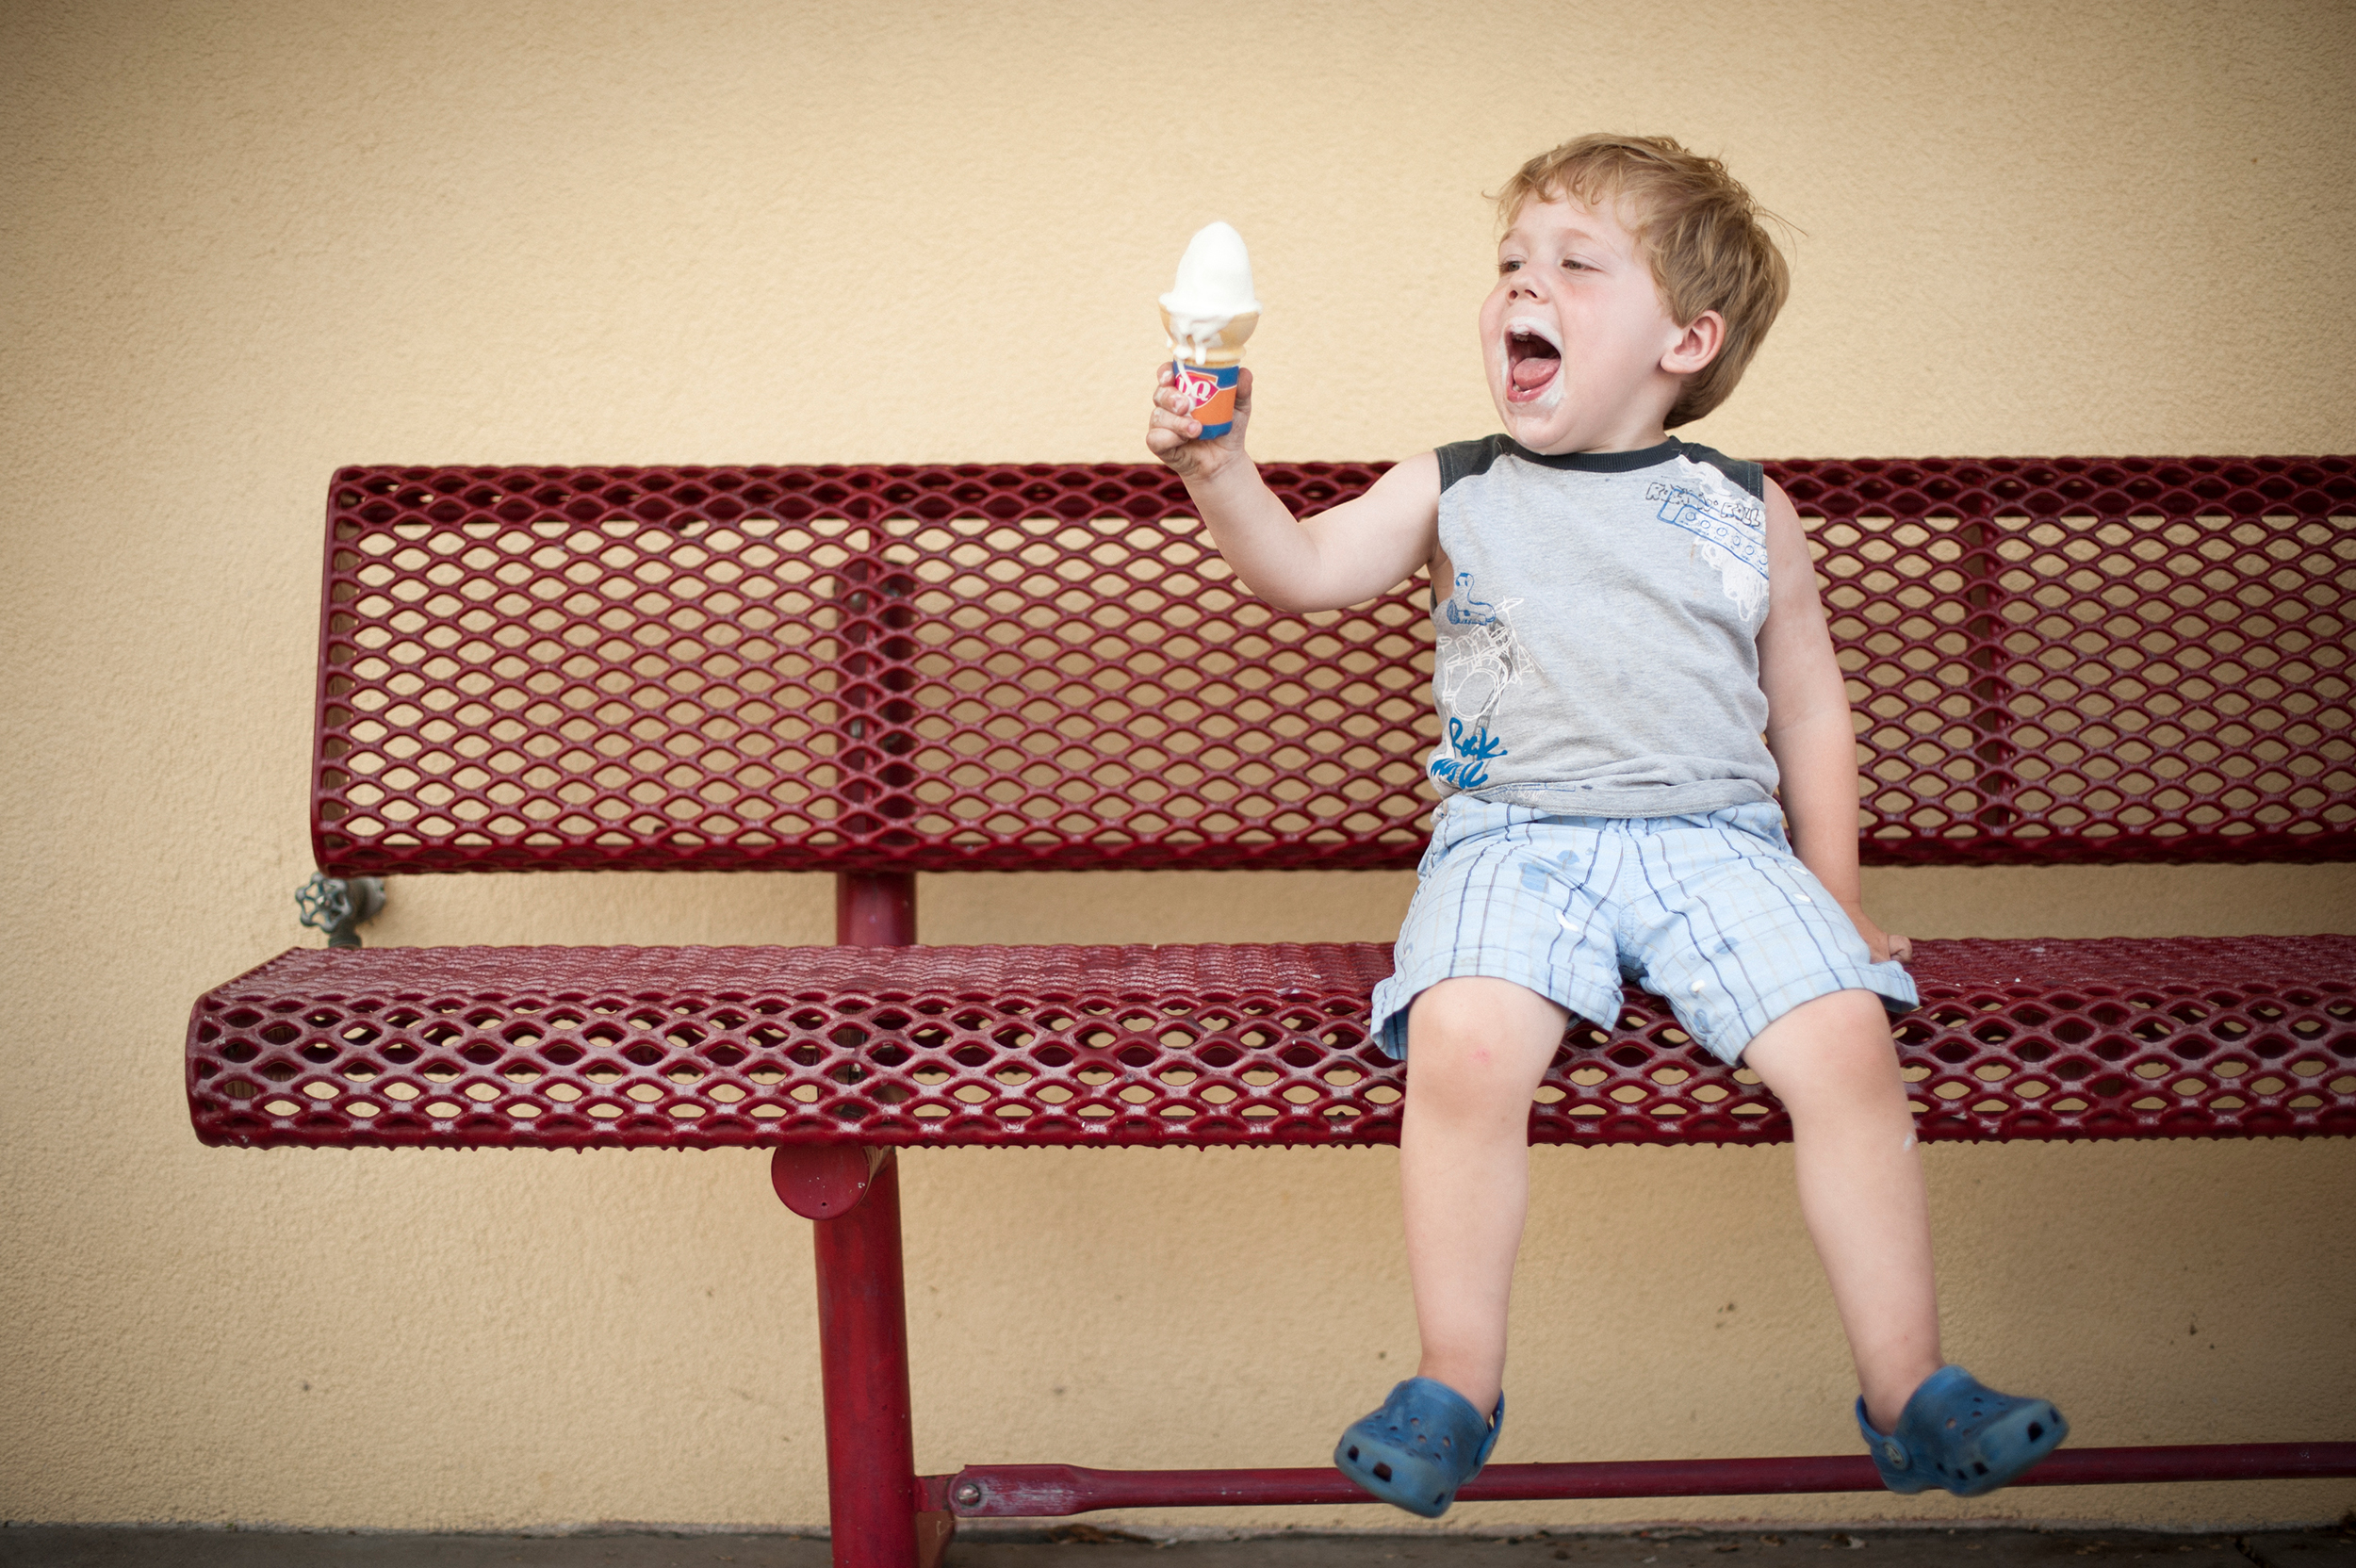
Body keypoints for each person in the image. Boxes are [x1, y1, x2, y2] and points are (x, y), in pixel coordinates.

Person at [1145, 133, 2066, 1519]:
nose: (1526, 284)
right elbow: (1307, 570)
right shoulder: (1451, 483)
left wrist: (1836, 894)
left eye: (1576, 264)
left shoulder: (1747, 509)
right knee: (1462, 1041)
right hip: (1513, 842)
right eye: (1513, 263)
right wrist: (1221, 472)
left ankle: (1910, 1386)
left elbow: (1808, 711)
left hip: (1719, 845)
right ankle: (1456, 1381)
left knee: (1845, 1039)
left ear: (1685, 341)